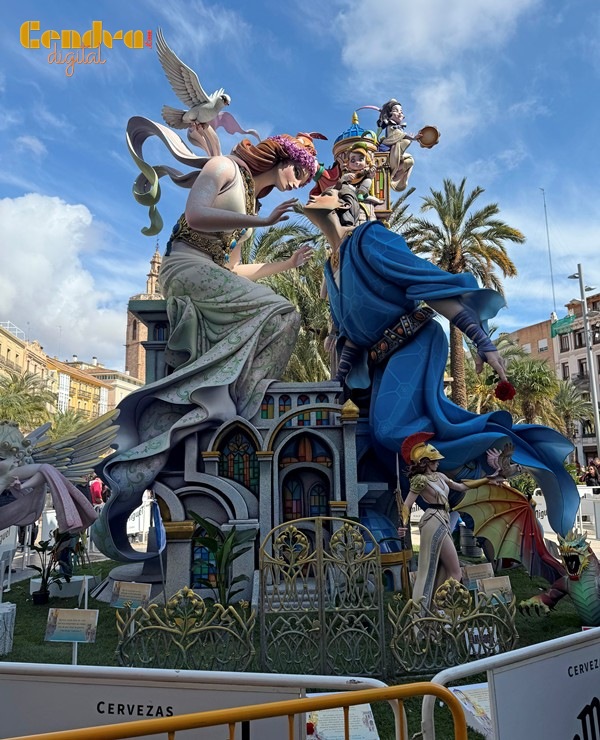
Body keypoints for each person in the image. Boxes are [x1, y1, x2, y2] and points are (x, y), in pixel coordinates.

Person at [93, 120, 318, 563]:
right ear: (281, 158)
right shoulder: (223, 167)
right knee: (281, 312)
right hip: (185, 270)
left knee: (284, 314)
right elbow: (196, 216)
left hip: (211, 274)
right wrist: (260, 220)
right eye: (300, 171)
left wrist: (286, 264)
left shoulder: (250, 203)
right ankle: (230, 406)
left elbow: (234, 271)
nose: (300, 181)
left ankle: (232, 406)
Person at [300, 187, 580, 538]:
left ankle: (493, 458)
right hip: (377, 363)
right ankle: (452, 510)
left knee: (390, 430)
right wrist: (336, 384)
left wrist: (482, 341)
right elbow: (354, 334)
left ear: (346, 206)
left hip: (415, 341)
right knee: (378, 444)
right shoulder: (331, 268)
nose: (315, 192)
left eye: (327, 191)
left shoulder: (370, 238)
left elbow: (425, 284)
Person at [398, 434, 495, 610]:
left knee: (444, 569)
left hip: (443, 518)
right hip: (433, 520)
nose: (438, 462)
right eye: (434, 460)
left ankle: (435, 610)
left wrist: (489, 479)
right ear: (425, 462)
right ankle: (434, 610)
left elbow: (461, 486)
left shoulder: (440, 476)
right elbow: (407, 505)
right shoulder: (420, 480)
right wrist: (403, 525)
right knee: (451, 571)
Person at [377, 99, 422, 192]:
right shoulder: (390, 125)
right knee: (406, 142)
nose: (400, 113)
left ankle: (396, 177)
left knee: (411, 161)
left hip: (394, 153)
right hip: (386, 151)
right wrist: (413, 138)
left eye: (401, 111)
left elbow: (400, 135)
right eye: (396, 110)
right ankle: (393, 172)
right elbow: (399, 135)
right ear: (389, 114)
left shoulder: (397, 127)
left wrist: (412, 138)